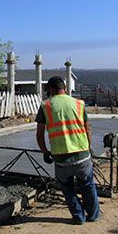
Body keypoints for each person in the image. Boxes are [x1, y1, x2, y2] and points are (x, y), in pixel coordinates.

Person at [35, 76, 101, 224]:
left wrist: (45, 152)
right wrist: (89, 148)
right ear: (64, 87)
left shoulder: (45, 106)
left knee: (67, 187)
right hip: (82, 154)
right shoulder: (79, 104)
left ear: (51, 89)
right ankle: (93, 215)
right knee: (88, 184)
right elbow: (87, 128)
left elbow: (39, 135)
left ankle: (79, 217)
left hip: (60, 158)